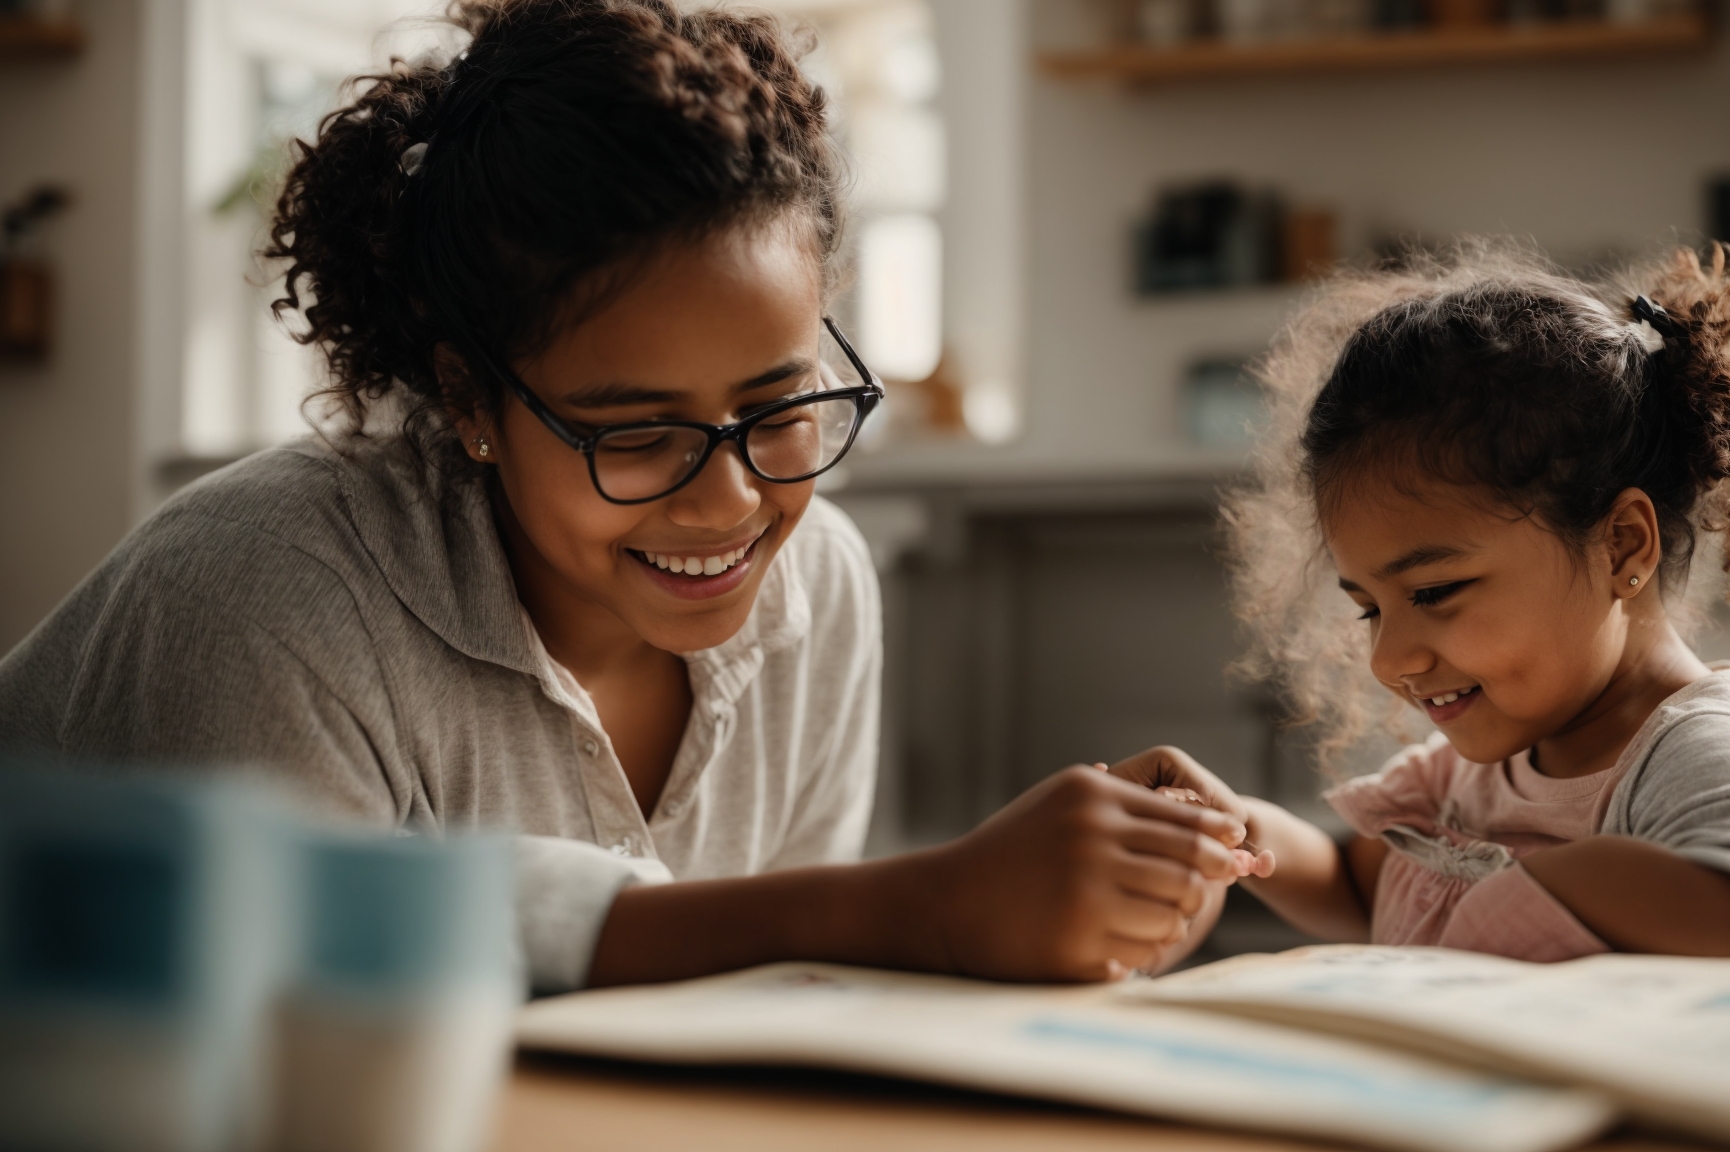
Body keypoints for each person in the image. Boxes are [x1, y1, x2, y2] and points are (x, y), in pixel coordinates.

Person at [0, 0, 1252, 993]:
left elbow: (766, 1005)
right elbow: (307, 1002)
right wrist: (919, 906)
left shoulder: (818, 588)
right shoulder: (269, 596)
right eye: (637, 436)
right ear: (472, 401)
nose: (729, 501)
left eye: (780, 404)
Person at [1112, 243, 1730, 968]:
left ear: (1623, 547)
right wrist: (1224, 829)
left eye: (1434, 592)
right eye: (1371, 608)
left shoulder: (1698, 758)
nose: (1389, 659)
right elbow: (1352, 882)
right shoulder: (1473, 776)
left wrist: (1519, 895)